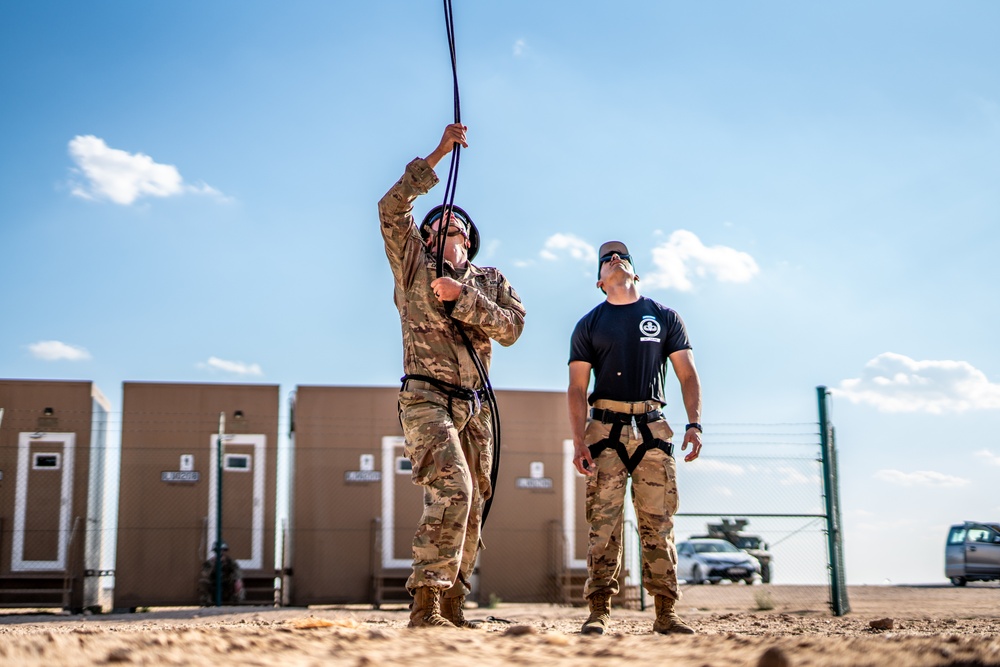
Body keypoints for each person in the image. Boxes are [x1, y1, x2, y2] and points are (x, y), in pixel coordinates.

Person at [377, 123, 526, 628]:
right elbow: (390, 210)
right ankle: (425, 603)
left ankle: (454, 606)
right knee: (453, 489)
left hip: (475, 405)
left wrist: (461, 298)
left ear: (470, 241)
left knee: (475, 502)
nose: (443, 233)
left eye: (453, 229)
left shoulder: (491, 281)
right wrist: (440, 153)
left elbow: (512, 328)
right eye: (434, 229)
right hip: (425, 398)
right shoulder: (413, 265)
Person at [567, 240, 703, 635]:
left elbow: (688, 375)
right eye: (607, 258)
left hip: (652, 429)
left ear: (634, 272)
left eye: (622, 256)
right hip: (603, 431)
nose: (615, 259)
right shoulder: (589, 324)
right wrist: (579, 441)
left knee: (658, 523)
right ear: (599, 281)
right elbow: (577, 388)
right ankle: (598, 611)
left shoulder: (663, 317)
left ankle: (666, 613)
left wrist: (694, 423)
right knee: (603, 525)